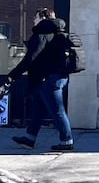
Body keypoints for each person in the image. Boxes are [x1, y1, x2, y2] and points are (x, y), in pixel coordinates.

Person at [3, 8, 75, 152]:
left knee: (57, 110)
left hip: (49, 79)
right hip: (58, 77)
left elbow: (29, 59)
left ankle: (67, 141)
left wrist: (11, 76)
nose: (33, 21)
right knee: (39, 108)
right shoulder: (57, 32)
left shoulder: (41, 34)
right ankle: (30, 139)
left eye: (35, 17)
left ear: (43, 18)